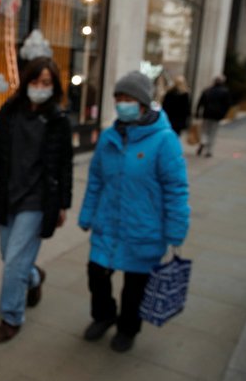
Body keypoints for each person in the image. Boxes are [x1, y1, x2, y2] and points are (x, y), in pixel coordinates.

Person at [78, 71, 190, 353]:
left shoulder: (165, 141)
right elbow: (95, 181)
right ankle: (104, 316)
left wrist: (176, 229)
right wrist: (87, 214)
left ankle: (128, 328)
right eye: (118, 99)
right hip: (107, 225)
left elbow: (176, 189)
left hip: (144, 230)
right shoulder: (108, 138)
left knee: (135, 287)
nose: (121, 105)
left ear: (142, 103)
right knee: (96, 275)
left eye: (128, 99)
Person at [0, 56, 73, 343]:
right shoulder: (10, 111)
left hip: (38, 200)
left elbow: (64, 165)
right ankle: (34, 277)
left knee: (14, 263)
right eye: (35, 81)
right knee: (12, 258)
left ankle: (11, 316)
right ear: (26, 81)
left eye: (46, 82)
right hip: (7, 195)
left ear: (53, 85)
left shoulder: (58, 120)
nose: (39, 87)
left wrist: (63, 204)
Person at [195, 75, 232, 157]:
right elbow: (227, 104)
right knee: (213, 132)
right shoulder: (225, 92)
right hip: (217, 115)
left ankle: (203, 141)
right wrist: (223, 113)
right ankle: (209, 150)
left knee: (205, 130)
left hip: (207, 114)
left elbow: (200, 102)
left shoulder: (208, 90)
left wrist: (197, 112)